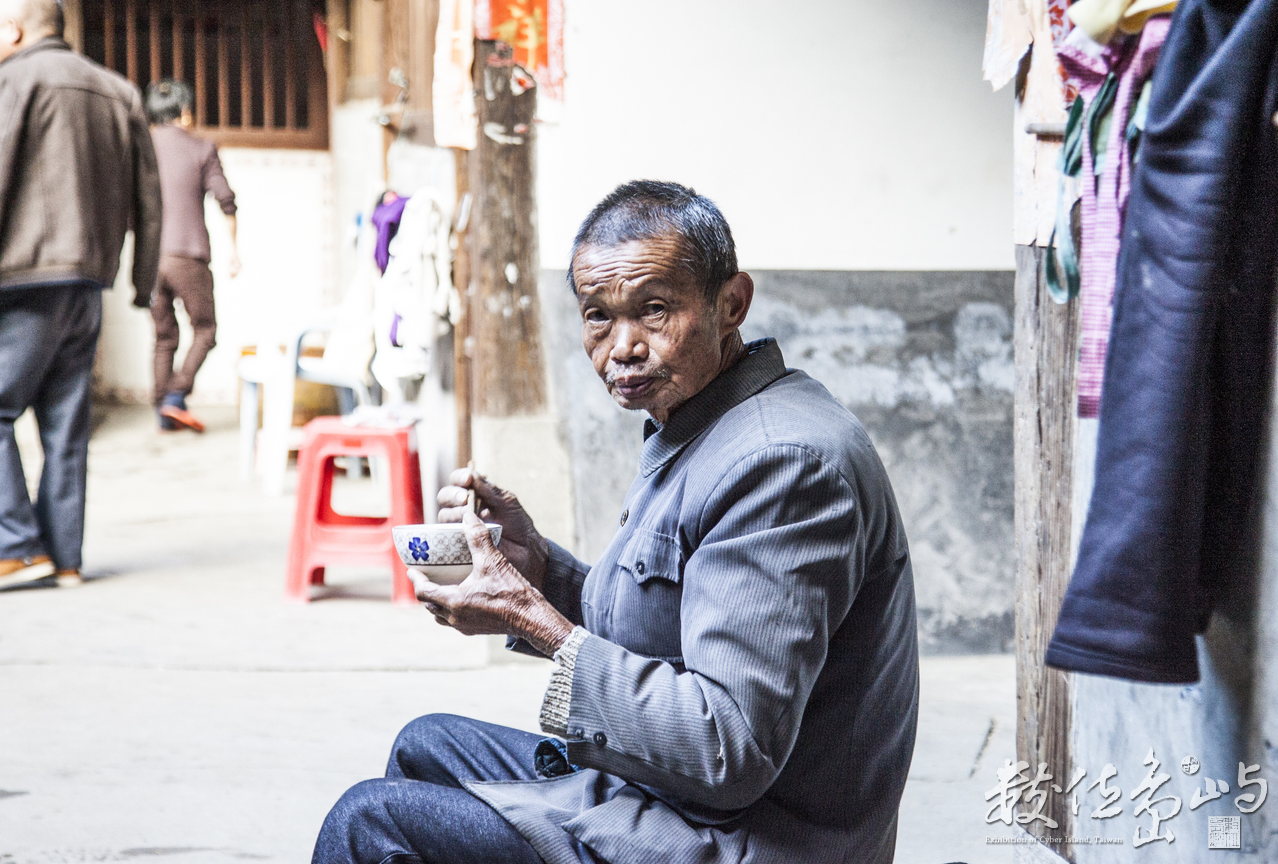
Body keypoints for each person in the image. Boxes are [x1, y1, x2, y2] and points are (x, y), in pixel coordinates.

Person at [312, 181, 920, 864]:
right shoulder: (702, 421)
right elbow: (668, 626)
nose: (622, 346)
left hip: (741, 840)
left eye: (654, 311)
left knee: (370, 822)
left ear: (731, 304)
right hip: (681, 803)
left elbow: (729, 752)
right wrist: (537, 571)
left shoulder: (781, 463)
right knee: (426, 743)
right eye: (598, 316)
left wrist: (530, 618)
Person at [0, 0, 161, 593]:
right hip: (88, 285)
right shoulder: (116, 90)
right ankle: (64, 557)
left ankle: (11, 546)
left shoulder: (9, 81)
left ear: (10, 29)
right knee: (65, 426)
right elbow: (148, 196)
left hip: (20, 281)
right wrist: (140, 279)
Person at [145, 78, 240, 433]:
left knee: (163, 336)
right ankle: (175, 396)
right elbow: (225, 199)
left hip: (150, 261)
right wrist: (234, 250)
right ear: (185, 113)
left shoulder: (142, 149)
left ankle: (162, 408)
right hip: (189, 255)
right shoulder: (202, 149)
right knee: (205, 329)